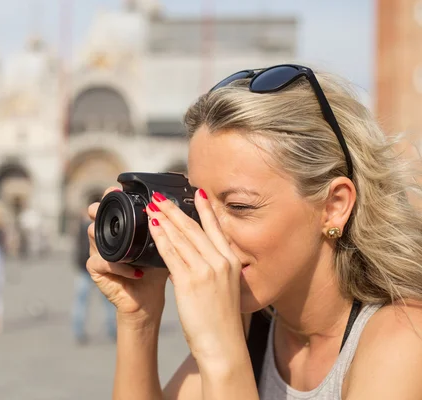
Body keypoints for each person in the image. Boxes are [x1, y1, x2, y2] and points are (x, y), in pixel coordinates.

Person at [86, 65, 422, 399]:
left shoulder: (404, 339)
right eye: (197, 204)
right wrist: (138, 318)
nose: (208, 232)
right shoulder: (253, 324)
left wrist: (220, 351)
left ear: (334, 206)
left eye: (239, 207)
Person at [72, 198, 117, 345]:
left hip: (89, 268)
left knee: (85, 302)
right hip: (96, 268)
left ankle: (82, 331)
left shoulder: (84, 225)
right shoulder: (100, 225)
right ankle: (111, 330)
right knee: (104, 301)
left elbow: (78, 247)